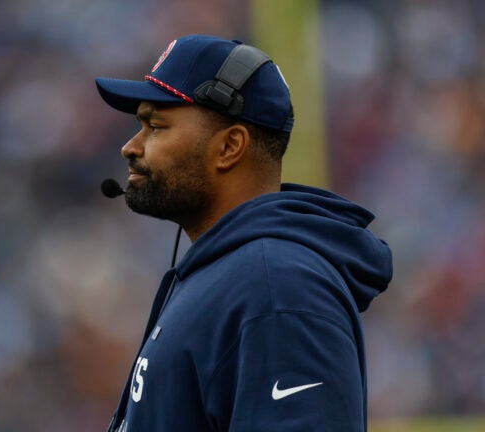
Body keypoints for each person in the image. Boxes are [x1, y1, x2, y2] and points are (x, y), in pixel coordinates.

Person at [95, 35, 393, 431]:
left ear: (230, 146)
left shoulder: (279, 285)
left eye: (155, 125)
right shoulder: (232, 272)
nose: (130, 147)